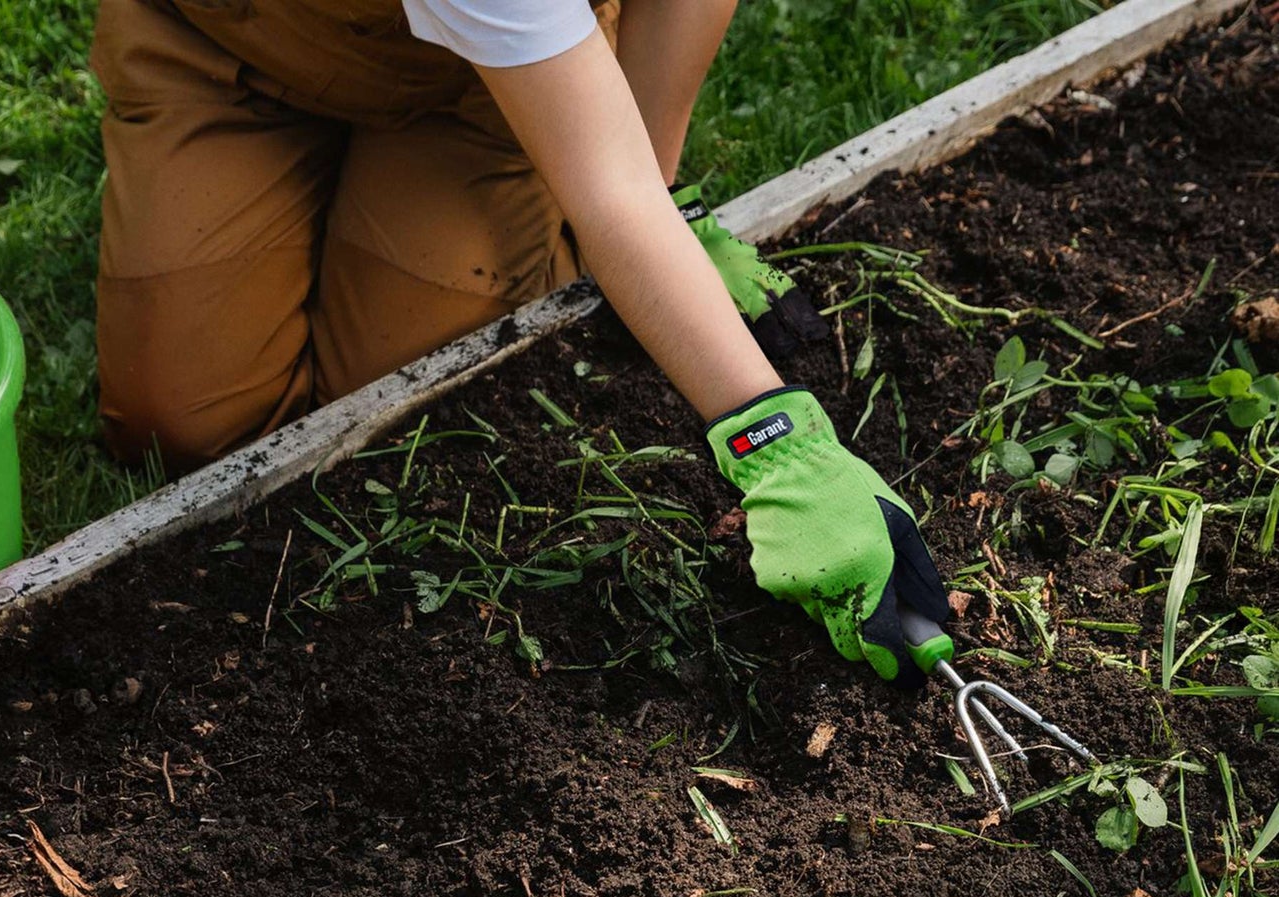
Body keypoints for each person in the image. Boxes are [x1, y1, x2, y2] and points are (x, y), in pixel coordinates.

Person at [91, 0, 949, 685]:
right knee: (184, 422)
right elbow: (607, 194)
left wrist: (657, 207)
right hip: (232, 45)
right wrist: (780, 447)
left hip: (473, 85)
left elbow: (621, 181)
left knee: (398, 411)